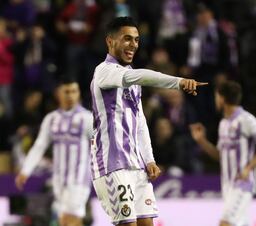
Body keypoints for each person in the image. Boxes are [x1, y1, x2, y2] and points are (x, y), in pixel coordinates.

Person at [90, 17, 207, 226]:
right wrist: (178, 82)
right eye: (127, 39)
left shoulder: (133, 80)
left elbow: (140, 122)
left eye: (136, 39)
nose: (133, 44)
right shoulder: (104, 71)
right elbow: (142, 75)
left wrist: (149, 159)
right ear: (110, 41)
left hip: (136, 166)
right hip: (112, 165)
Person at [189, 81, 256, 226]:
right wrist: (202, 141)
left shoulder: (246, 120)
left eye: (216, 96)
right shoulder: (224, 124)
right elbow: (221, 156)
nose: (215, 100)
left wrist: (248, 168)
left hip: (242, 184)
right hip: (227, 185)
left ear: (221, 98)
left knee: (225, 222)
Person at [15, 78, 93, 226]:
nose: (70, 95)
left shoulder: (87, 118)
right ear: (59, 93)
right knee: (64, 221)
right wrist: (25, 170)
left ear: (79, 94)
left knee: (72, 220)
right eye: (66, 91)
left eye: (74, 91)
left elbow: (101, 146)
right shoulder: (51, 119)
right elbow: (39, 146)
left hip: (79, 179)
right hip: (58, 179)